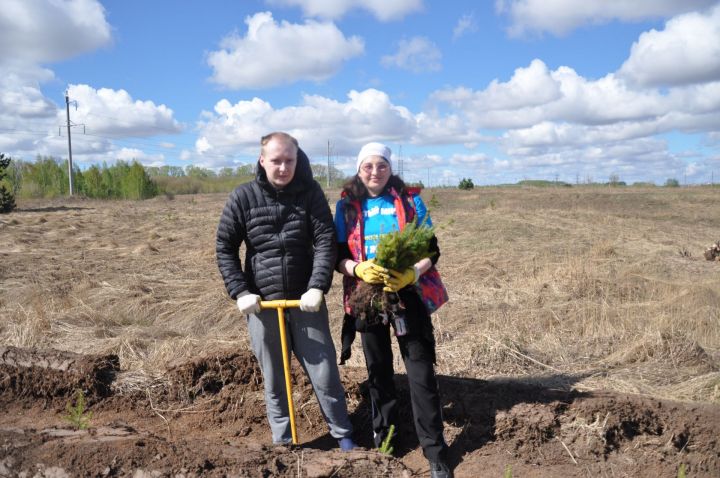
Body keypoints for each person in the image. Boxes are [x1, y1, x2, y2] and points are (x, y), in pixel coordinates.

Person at [216, 132, 356, 451]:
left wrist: (317, 287)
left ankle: (343, 435)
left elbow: (323, 241)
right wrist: (240, 292)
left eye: (289, 160)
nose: (282, 167)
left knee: (324, 374)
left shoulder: (310, 194)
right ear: (262, 160)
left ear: (298, 159)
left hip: (305, 303)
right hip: (262, 306)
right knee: (275, 379)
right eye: (276, 160)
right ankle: (283, 443)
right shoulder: (243, 197)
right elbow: (225, 247)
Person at [334, 142, 453, 478]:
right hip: (366, 295)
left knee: (420, 372)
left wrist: (412, 273)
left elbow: (433, 248)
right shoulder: (346, 207)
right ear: (359, 169)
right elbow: (336, 256)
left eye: (381, 165)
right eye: (368, 166)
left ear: (390, 167)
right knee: (378, 371)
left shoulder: (409, 200)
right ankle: (386, 440)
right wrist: (358, 270)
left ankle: (435, 452)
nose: (375, 172)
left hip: (408, 295)